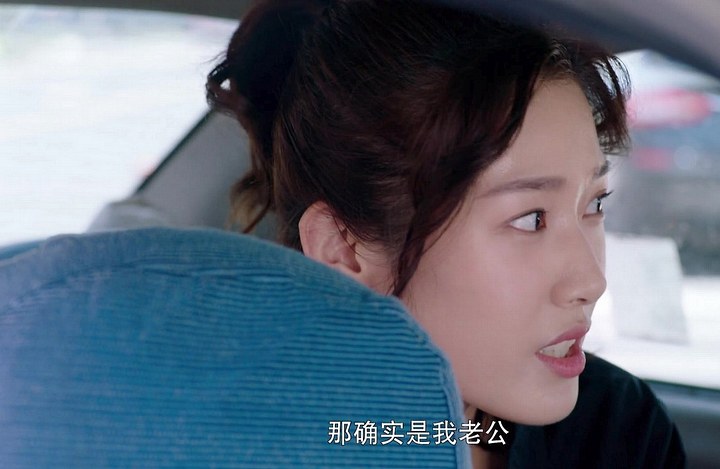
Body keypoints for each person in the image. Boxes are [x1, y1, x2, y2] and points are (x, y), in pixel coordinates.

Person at [207, 0, 685, 467]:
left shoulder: (615, 429)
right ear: (344, 250)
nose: (591, 281)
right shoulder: (237, 444)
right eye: (531, 218)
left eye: (593, 204)